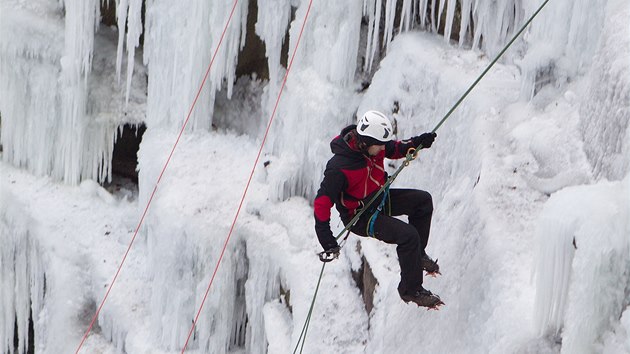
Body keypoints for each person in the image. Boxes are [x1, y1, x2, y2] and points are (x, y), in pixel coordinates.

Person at [313, 110, 442, 308]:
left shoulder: (374, 144)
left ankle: (417, 256)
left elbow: (395, 148)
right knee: (408, 236)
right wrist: (325, 238)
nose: (383, 148)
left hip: (378, 198)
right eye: (379, 145)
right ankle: (410, 290)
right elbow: (322, 202)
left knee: (423, 201)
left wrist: (418, 142)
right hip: (360, 217)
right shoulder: (339, 167)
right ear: (364, 142)